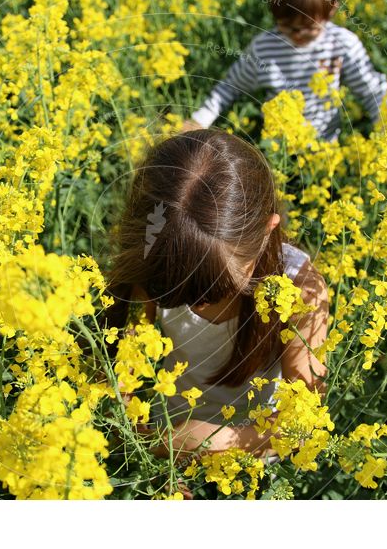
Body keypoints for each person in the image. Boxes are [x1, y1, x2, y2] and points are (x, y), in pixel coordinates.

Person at [102, 129, 329, 466]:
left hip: (255, 457)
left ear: (268, 230)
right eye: (175, 292)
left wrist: (209, 442)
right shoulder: (155, 261)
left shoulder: (301, 291)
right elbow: (124, 368)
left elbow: (303, 427)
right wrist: (142, 446)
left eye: (217, 289)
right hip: (165, 445)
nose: (197, 305)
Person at [182, 0, 387, 141]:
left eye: (308, 28)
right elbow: (230, 87)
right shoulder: (264, 48)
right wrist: (200, 120)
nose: (297, 35)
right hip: (277, 149)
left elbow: (371, 91)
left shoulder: (343, 44)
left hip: (323, 152)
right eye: (287, 27)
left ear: (332, 10)